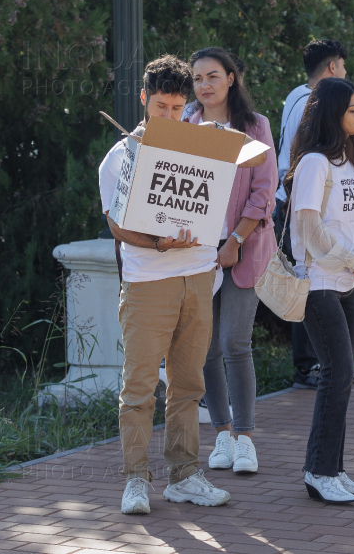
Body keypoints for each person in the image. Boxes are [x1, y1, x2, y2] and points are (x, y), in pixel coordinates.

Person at [98, 55, 262, 515]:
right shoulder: (122, 156)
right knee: (139, 387)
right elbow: (116, 225)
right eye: (161, 108)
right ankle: (135, 480)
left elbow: (254, 163)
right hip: (148, 281)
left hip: (198, 278)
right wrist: (159, 241)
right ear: (145, 101)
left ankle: (185, 475)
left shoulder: (203, 147)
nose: (169, 116)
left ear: (185, 104)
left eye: (176, 108)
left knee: (189, 385)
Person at [283, 77, 354, 503]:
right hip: (319, 282)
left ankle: (334, 469)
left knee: (342, 379)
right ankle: (318, 473)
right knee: (336, 375)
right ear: (332, 114)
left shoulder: (347, 160)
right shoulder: (314, 163)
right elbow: (309, 228)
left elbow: (345, 221)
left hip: (346, 282)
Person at [182, 47, 278, 475]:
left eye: (213, 76)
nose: (205, 85)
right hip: (197, 252)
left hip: (244, 248)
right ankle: (220, 434)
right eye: (198, 78)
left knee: (234, 344)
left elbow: (264, 190)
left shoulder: (255, 127)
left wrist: (236, 239)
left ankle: (245, 438)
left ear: (231, 78)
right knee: (203, 350)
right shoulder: (185, 122)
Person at [272, 39, 354, 390]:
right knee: (307, 282)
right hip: (299, 200)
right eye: (343, 66)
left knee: (302, 282)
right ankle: (311, 367)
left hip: (285, 197)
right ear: (332, 67)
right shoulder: (316, 105)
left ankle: (315, 366)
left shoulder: (295, 95)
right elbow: (307, 156)